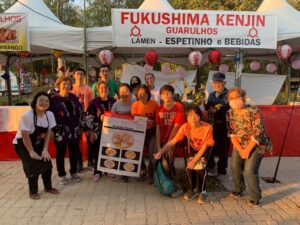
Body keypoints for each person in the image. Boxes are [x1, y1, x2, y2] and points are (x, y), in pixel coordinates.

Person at [154, 104, 214, 204]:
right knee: (189, 168)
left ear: (200, 116)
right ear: (186, 117)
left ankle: (203, 192)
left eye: (196, 115)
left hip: (205, 149)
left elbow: (205, 146)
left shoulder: (207, 128)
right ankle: (193, 190)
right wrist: (161, 151)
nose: (193, 118)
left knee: (200, 168)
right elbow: (174, 141)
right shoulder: (185, 127)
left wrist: (195, 160)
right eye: (189, 116)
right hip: (193, 148)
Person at [226, 87, 272, 208]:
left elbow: (258, 133)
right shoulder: (230, 113)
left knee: (249, 171)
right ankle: (239, 188)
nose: (234, 100)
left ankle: (256, 197)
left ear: (243, 98)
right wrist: (241, 149)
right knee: (235, 166)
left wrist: (247, 150)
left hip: (257, 145)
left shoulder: (254, 111)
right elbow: (232, 133)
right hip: (240, 145)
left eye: (237, 97)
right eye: (231, 98)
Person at [13, 92, 59, 200]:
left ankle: (48, 188)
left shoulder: (50, 115)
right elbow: (25, 137)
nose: (44, 103)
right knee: (32, 166)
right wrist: (31, 152)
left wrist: (45, 149)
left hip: (37, 140)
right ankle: (33, 191)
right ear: (35, 102)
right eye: (41, 100)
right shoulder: (27, 116)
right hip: (22, 143)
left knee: (47, 163)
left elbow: (48, 132)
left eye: (47, 101)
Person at [49, 76, 83, 185]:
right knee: (61, 153)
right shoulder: (53, 99)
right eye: (64, 84)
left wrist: (81, 126)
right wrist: (52, 130)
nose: (66, 86)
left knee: (73, 152)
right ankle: (62, 175)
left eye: (68, 84)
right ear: (58, 85)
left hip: (74, 129)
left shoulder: (73, 97)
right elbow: (49, 115)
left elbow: (80, 112)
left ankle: (73, 172)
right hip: (60, 130)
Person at [83, 81, 116, 182]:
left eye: (105, 88)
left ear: (109, 90)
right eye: (101, 88)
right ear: (97, 90)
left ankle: (108, 168)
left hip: (111, 130)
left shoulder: (113, 101)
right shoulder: (94, 103)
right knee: (97, 151)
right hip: (98, 131)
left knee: (109, 150)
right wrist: (91, 132)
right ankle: (97, 171)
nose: (103, 90)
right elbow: (88, 117)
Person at [156, 84, 185, 197]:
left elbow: (177, 126)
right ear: (161, 96)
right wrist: (159, 146)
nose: (166, 95)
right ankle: (166, 183)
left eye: (168, 92)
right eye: (163, 93)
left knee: (168, 162)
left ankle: (177, 186)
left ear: (173, 94)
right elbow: (158, 128)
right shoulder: (159, 109)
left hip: (175, 140)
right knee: (161, 161)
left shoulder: (178, 106)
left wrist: (168, 145)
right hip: (164, 142)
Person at [205, 72, 230, 177]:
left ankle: (222, 168)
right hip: (212, 125)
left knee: (223, 148)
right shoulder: (211, 94)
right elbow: (207, 108)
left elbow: (230, 109)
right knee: (210, 146)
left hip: (224, 125)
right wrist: (204, 104)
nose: (217, 85)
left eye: (219, 82)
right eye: (215, 82)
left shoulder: (229, 94)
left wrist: (220, 109)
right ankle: (210, 165)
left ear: (224, 83)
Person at [131, 84, 158, 183]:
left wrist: (153, 122)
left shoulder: (154, 104)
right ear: (137, 95)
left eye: (144, 93)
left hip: (152, 131)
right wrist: (146, 120)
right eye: (140, 94)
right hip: (139, 131)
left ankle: (151, 174)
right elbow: (134, 119)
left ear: (148, 94)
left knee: (152, 153)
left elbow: (157, 119)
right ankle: (143, 170)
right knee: (138, 151)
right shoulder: (135, 105)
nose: (142, 95)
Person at [71, 68, 94, 171]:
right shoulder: (71, 88)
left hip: (86, 116)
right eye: (77, 74)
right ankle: (79, 162)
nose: (79, 76)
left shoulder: (88, 89)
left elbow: (92, 104)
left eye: (81, 74)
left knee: (90, 140)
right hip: (75, 117)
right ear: (74, 76)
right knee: (76, 140)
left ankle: (90, 161)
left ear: (84, 76)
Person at [111, 83, 135, 182]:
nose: (124, 93)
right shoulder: (116, 104)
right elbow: (111, 117)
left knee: (132, 152)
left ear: (130, 92)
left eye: (126, 91)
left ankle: (136, 170)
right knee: (121, 151)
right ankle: (123, 173)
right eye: (121, 92)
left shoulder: (135, 102)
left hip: (134, 132)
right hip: (120, 133)